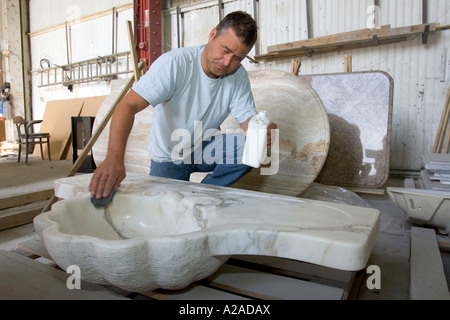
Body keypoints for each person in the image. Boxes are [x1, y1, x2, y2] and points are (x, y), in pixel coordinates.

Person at [89, 10, 277, 200]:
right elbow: (127, 106)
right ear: (212, 35)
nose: (227, 62)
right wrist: (114, 158)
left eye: (237, 58)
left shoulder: (238, 76)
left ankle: (202, 197)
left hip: (204, 148)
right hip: (170, 155)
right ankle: (191, 203)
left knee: (251, 145)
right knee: (167, 216)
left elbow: (247, 119)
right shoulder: (175, 64)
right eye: (225, 50)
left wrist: (260, 130)